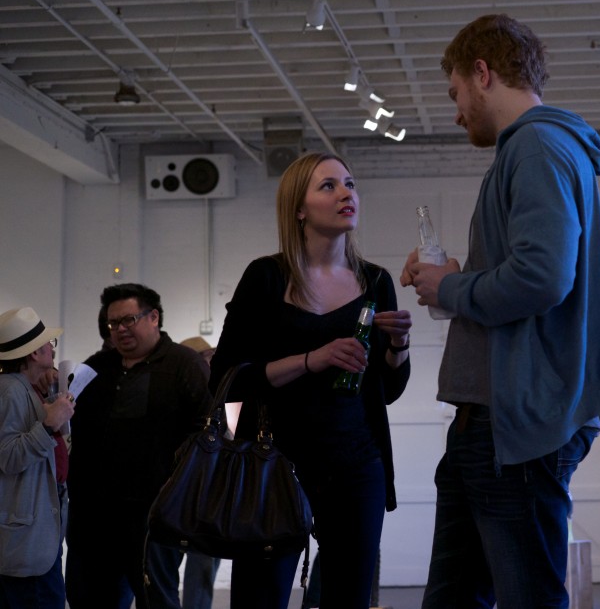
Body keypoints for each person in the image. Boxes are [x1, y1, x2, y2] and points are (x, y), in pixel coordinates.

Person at [401, 13, 600, 609]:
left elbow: (541, 277)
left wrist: (450, 289)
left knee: (526, 596)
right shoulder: (537, 150)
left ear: (482, 73)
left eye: (455, 94)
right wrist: (453, 278)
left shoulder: (537, 146)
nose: (455, 112)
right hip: (496, 420)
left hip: (516, 424)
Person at [210, 152, 412, 609]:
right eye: (328, 186)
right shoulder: (265, 277)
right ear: (298, 208)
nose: (347, 193)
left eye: (350, 183)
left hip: (357, 464)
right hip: (272, 465)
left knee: (349, 596)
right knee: (259, 597)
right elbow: (225, 380)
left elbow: (388, 391)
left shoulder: (375, 280)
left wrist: (397, 347)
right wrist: (310, 359)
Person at [65, 284, 212, 609]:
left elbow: (206, 433)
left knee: (156, 599)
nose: (120, 329)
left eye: (128, 319)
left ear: (153, 316)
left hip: (154, 517)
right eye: (113, 324)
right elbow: (68, 423)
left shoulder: (184, 366)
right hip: (94, 517)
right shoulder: (96, 367)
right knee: (88, 598)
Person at [0, 307, 75, 608]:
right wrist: (48, 424)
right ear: (33, 353)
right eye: (48, 344)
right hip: (25, 538)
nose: (51, 350)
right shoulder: (10, 392)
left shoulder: (25, 388)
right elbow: (7, 456)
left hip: (36, 524)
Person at [178, 336, 221, 609]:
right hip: (182, 488)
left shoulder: (219, 395)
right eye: (205, 359)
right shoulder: (181, 399)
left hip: (210, 489)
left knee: (204, 561)